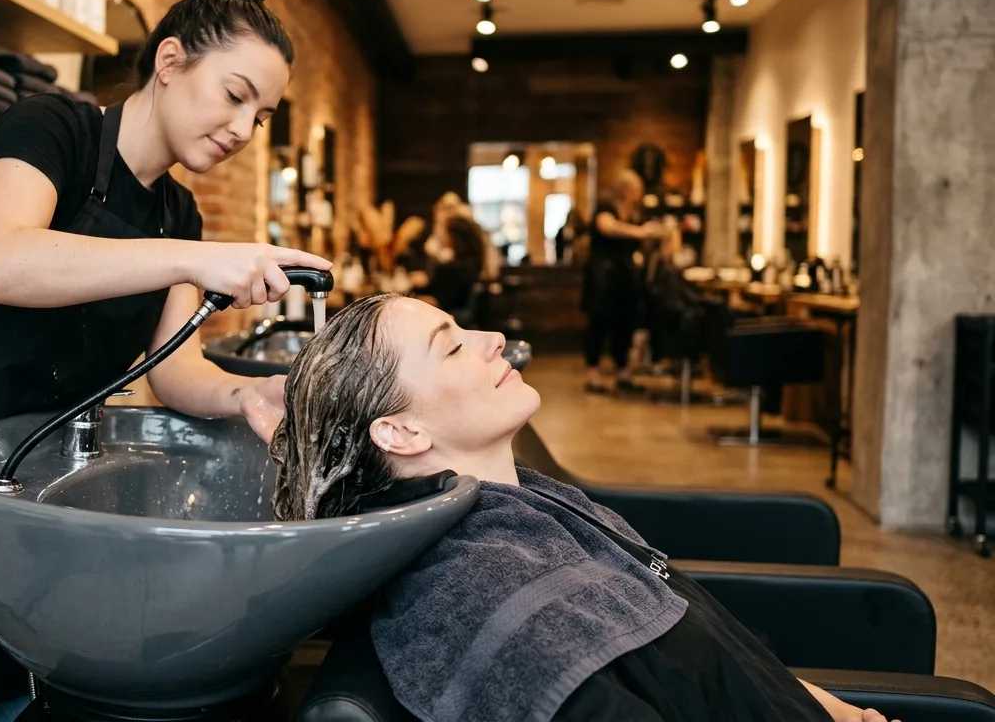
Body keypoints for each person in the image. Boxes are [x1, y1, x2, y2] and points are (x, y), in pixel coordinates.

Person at [0, 0, 330, 722]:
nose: (244, 130)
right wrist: (193, 260)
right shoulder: (49, 127)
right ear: (170, 61)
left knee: (9, 693)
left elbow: (173, 369)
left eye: (263, 115)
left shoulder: (175, 214)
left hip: (20, 484)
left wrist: (243, 393)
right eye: (236, 95)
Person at [269, 294, 899, 722]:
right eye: (452, 346)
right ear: (401, 432)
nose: (496, 339)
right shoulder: (476, 595)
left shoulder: (537, 505)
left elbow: (703, 648)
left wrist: (826, 705)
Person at [582, 170, 664, 393]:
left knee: (624, 325)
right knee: (599, 324)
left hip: (625, 279)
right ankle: (593, 374)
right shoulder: (606, 208)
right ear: (626, 189)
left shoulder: (637, 213)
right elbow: (606, 227)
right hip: (603, 277)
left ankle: (622, 372)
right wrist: (639, 233)